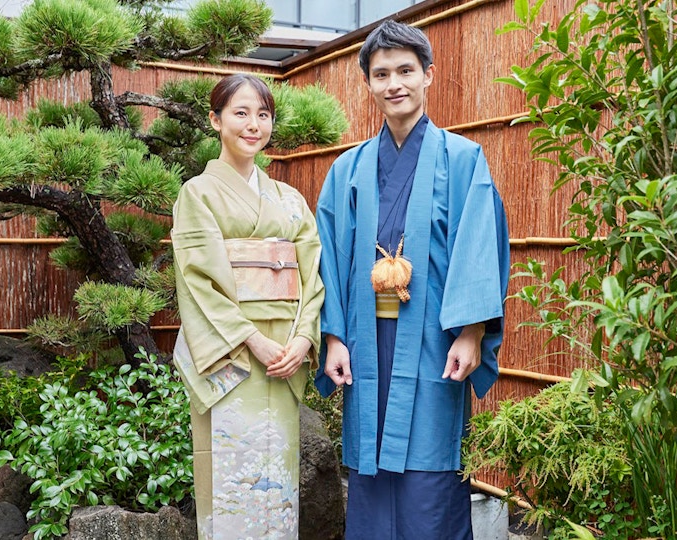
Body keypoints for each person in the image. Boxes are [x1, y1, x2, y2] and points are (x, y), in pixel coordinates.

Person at [315, 20, 511, 539]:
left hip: (434, 339)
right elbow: (328, 259)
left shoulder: (464, 159)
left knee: (430, 473)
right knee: (370, 469)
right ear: (369, 84)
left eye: (406, 70)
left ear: (428, 75)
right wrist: (333, 336)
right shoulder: (347, 170)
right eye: (381, 74)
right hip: (365, 340)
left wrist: (472, 332)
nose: (394, 83)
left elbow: (479, 247)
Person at [172, 73, 324, 540]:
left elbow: (312, 275)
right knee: (231, 477)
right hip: (234, 353)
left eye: (263, 114)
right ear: (216, 120)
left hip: (284, 352)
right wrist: (253, 340)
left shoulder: (290, 199)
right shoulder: (197, 193)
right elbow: (199, 281)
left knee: (276, 478)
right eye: (240, 113)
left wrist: (302, 338)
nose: (253, 125)